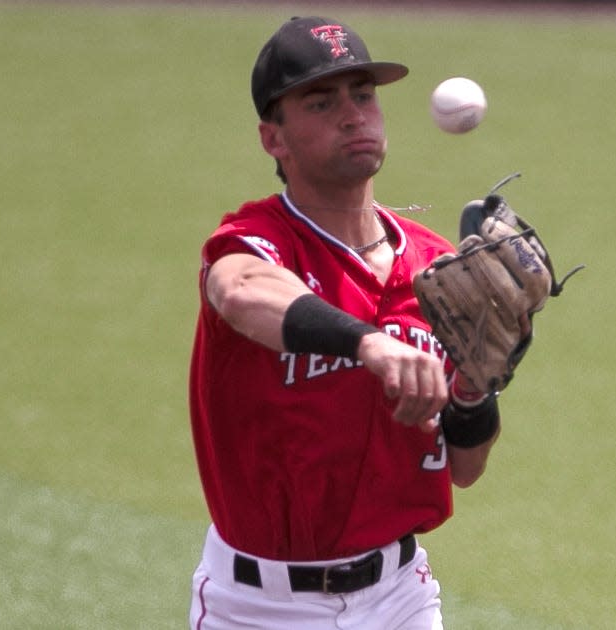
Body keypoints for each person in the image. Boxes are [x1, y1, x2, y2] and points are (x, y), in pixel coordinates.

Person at [187, 16, 503, 630]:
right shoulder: (255, 243)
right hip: (257, 608)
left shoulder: (438, 269)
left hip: (399, 600)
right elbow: (240, 291)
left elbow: (465, 467)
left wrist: (475, 388)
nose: (353, 114)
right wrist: (370, 344)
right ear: (273, 138)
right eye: (321, 101)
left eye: (363, 95)